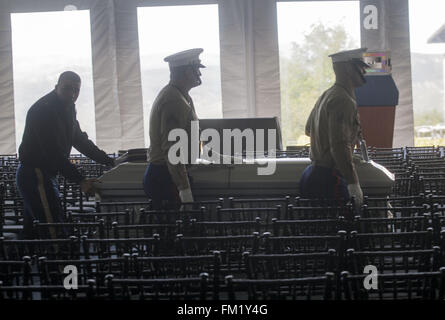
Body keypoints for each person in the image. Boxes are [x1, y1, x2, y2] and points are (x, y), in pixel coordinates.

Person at [16, 71, 115, 239]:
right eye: (67, 88)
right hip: (35, 174)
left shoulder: (67, 107)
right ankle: (60, 266)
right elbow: (53, 153)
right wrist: (81, 180)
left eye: (76, 90)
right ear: (56, 87)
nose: (72, 94)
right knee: (54, 231)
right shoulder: (43, 110)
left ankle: (26, 264)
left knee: (33, 233)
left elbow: (79, 139)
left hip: (43, 174)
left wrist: (109, 161)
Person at [300, 48, 370, 208]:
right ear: (347, 68)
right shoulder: (343, 100)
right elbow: (339, 145)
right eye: (360, 66)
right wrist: (353, 183)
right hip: (330, 179)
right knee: (344, 231)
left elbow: (309, 129)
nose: (364, 70)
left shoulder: (327, 94)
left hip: (313, 174)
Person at [143, 48, 204, 209]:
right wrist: (184, 192)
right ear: (186, 72)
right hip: (166, 177)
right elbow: (172, 151)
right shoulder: (174, 100)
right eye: (196, 69)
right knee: (174, 232)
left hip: (169, 175)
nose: (200, 74)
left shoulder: (182, 96)